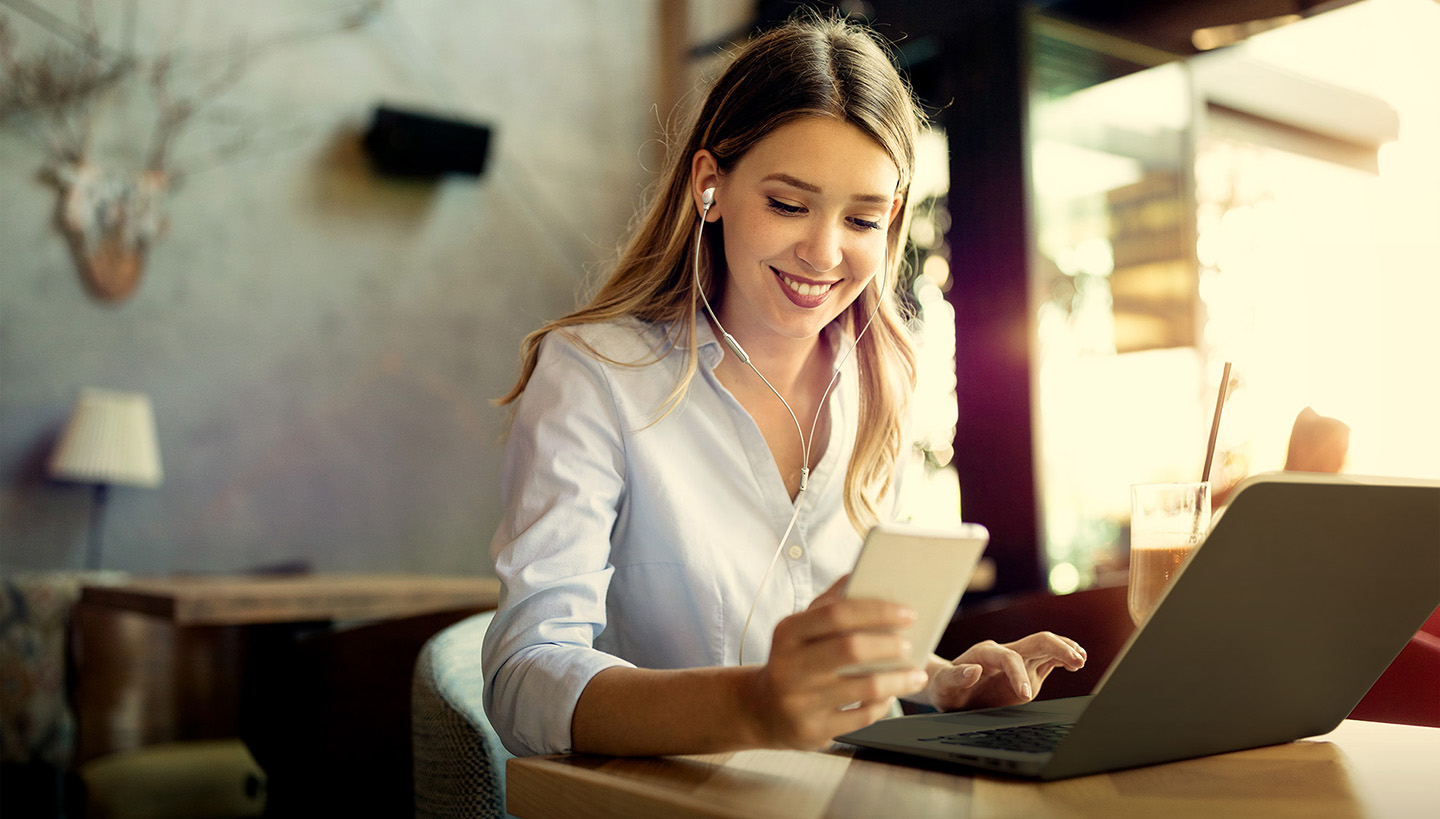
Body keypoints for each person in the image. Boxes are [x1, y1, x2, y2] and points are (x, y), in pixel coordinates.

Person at [482, 12, 1086, 758]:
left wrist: (942, 681)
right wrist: (753, 704)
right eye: (788, 204)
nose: (824, 251)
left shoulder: (881, 383)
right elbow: (524, 678)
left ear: (892, 219)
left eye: (862, 218)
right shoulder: (595, 375)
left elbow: (843, 655)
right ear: (711, 186)